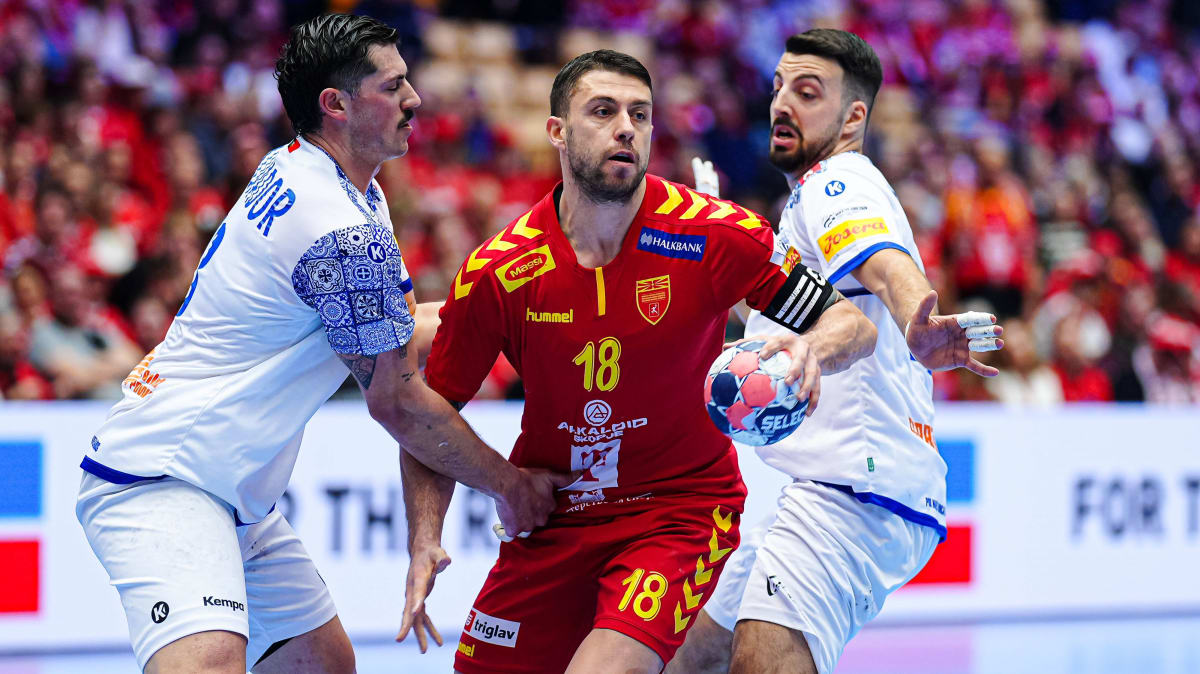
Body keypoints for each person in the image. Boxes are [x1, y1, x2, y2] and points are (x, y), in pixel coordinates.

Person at [75, 14, 565, 674]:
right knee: (209, 662)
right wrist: (509, 485)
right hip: (166, 476)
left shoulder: (318, 176)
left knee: (323, 664)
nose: (414, 98)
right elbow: (398, 401)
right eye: (392, 86)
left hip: (231, 493)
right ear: (335, 104)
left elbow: (394, 326)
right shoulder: (338, 229)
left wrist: (529, 311)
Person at [401, 49, 880, 674]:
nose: (626, 128)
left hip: (680, 510)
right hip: (557, 518)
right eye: (603, 111)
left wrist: (809, 348)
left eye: (640, 114)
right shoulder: (500, 271)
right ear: (557, 131)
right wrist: (424, 537)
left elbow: (852, 324)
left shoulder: (714, 234)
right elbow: (429, 415)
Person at [667, 29, 1005, 674]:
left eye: (807, 92)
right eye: (778, 88)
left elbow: (886, 264)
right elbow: (778, 321)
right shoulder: (803, 203)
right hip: (827, 487)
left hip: (854, 491)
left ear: (852, 119)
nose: (781, 103)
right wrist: (719, 243)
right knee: (684, 657)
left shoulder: (836, 182)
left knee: (761, 661)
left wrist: (915, 316)